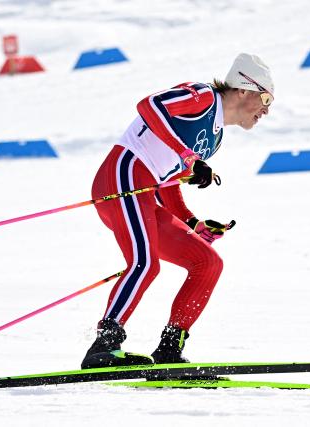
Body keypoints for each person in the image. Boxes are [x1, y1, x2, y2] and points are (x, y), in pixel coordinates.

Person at [82, 53, 274, 369]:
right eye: (265, 97)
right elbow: (150, 106)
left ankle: (170, 348)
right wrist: (187, 157)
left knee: (207, 263)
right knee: (144, 265)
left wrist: (192, 222)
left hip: (144, 194)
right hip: (123, 176)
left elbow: (168, 183)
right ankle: (103, 347)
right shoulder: (201, 96)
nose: (267, 109)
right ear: (243, 88)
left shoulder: (215, 139)